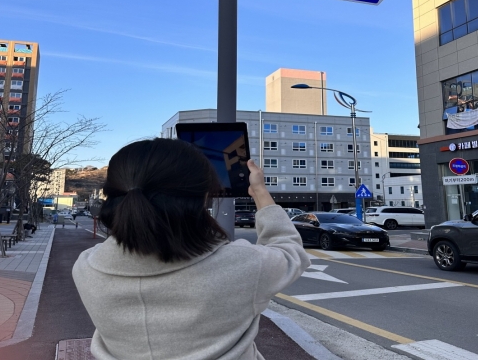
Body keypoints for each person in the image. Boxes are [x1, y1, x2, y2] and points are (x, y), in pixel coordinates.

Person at [72, 138, 310, 360]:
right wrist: (260, 192)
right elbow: (290, 250)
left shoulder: (86, 268)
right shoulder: (242, 265)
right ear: (202, 198)